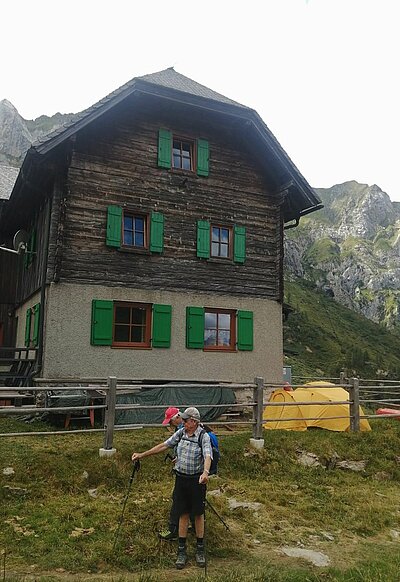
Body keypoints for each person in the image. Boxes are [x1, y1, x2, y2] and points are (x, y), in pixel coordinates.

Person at [132, 406, 212, 569]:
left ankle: (200, 549)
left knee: (198, 514)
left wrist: (205, 472)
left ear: (194, 422)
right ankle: (181, 551)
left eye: (185, 420)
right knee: (182, 513)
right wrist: (142, 454)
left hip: (197, 480)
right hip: (181, 479)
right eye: (182, 419)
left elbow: (208, 455)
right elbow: (164, 445)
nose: (182, 422)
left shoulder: (203, 436)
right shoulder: (181, 433)